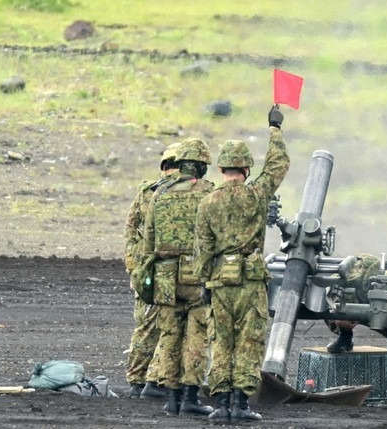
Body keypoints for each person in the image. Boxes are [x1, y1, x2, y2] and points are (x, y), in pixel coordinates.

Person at [194, 105, 290, 423]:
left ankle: (221, 403)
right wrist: (274, 129)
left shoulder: (207, 203)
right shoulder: (256, 195)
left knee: (222, 340)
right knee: (249, 342)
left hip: (219, 281)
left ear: (222, 169)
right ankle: (241, 404)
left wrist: (204, 282)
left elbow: (204, 250)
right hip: (250, 280)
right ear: (247, 169)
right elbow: (277, 166)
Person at [141, 138, 216, 416]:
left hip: (164, 277)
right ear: (200, 167)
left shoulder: (160, 194)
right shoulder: (209, 193)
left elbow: (148, 242)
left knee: (170, 337)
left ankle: (171, 399)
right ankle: (190, 398)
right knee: (197, 338)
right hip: (197, 278)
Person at [123, 141, 181, 400]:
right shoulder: (178, 192)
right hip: (169, 271)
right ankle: (153, 380)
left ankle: (139, 380)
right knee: (168, 327)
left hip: (145, 271)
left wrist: (134, 269)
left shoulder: (146, 192)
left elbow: (130, 232)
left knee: (145, 327)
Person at [325, 253, 387, 353]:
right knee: (331, 309)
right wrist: (339, 315)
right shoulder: (356, 276)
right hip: (361, 300)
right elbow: (331, 286)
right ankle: (345, 337)